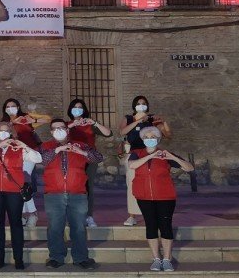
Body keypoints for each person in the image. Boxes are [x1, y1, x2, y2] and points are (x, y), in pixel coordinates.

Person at [128, 126, 193, 272]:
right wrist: (151, 155)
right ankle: (156, 259)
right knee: (151, 226)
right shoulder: (136, 153)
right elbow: (132, 165)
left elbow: (189, 168)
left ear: (158, 139)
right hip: (144, 196)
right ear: (143, 139)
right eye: (147, 137)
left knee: (165, 226)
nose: (150, 139)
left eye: (153, 137)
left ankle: (167, 259)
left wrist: (172, 157)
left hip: (165, 196)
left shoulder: (166, 154)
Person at [41, 119, 102, 269]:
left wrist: (81, 152)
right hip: (54, 193)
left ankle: (81, 258)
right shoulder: (46, 146)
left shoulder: (81, 144)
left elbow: (98, 158)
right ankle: (56, 257)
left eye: (62, 127)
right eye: (55, 128)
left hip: (78, 193)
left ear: (67, 130)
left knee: (79, 227)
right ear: (51, 132)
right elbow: (42, 160)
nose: (59, 130)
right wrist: (58, 150)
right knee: (55, 227)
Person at [0, 122, 42, 270]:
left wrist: (24, 146)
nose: (3, 134)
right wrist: (0, 144)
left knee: (16, 223)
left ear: (11, 133)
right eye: (0, 131)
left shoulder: (18, 149)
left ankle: (18, 259)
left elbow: (38, 158)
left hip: (14, 190)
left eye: (6, 131)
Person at [119, 95, 172, 226]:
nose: (141, 105)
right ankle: (132, 216)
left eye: (144, 103)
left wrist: (163, 122)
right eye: (138, 103)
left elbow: (167, 134)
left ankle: (154, 213)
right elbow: (122, 131)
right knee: (132, 183)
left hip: (151, 153)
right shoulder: (129, 118)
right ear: (134, 105)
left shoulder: (152, 119)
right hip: (134, 153)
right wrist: (138, 121)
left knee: (154, 182)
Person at [66, 98, 113, 228]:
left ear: (84, 110)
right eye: (74, 107)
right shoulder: (67, 124)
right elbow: (58, 134)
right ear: (70, 110)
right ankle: (73, 215)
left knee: (88, 187)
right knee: (73, 187)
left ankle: (89, 216)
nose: (77, 109)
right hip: (72, 160)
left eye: (80, 107)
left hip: (89, 158)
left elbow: (108, 133)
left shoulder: (90, 124)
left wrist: (95, 123)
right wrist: (72, 125)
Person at [0, 98, 44, 228]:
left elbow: (47, 119)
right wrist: (12, 122)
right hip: (13, 153)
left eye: (13, 106)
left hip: (28, 151)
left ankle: (32, 213)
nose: (10, 108)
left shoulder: (25, 117)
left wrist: (33, 120)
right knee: (17, 182)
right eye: (8, 106)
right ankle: (23, 214)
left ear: (18, 107)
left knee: (24, 180)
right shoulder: (4, 122)